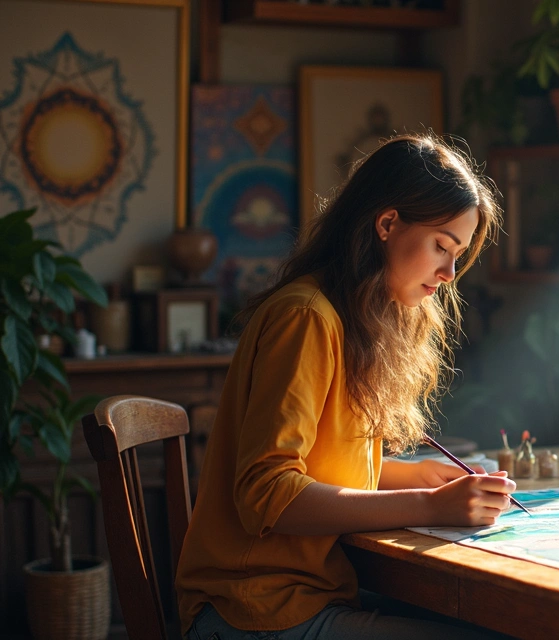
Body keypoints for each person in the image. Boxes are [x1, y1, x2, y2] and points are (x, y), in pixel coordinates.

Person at [176, 133, 514, 639]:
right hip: (253, 606)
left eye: (457, 255)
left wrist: (417, 478)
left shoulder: (352, 318)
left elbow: (320, 469)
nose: (448, 273)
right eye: (441, 246)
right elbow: (266, 493)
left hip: (312, 591)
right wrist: (429, 507)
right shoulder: (307, 317)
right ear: (386, 223)